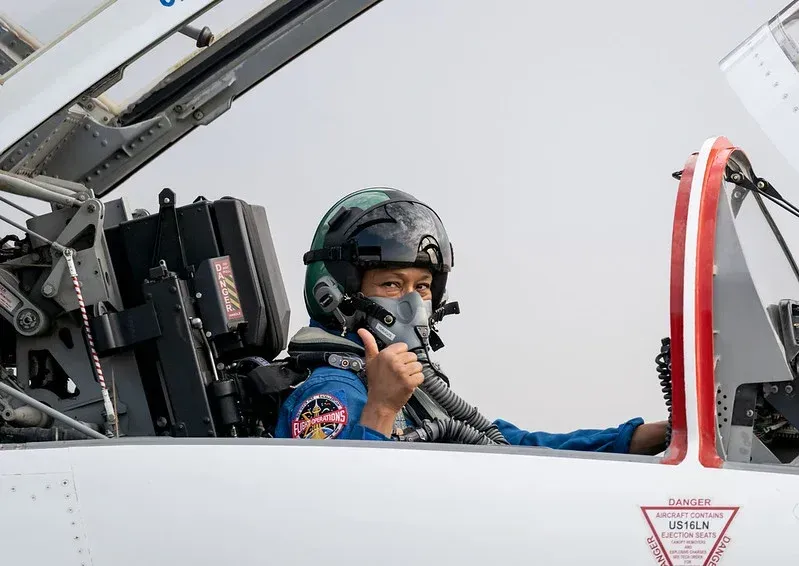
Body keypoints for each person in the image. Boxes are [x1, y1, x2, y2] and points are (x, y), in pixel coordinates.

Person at [274, 188, 668, 454]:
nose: (414, 302)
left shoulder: (407, 388)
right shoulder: (332, 392)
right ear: (337, 293)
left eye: (423, 286)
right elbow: (334, 507)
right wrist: (380, 408)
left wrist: (634, 439)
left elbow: (508, 446)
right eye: (392, 284)